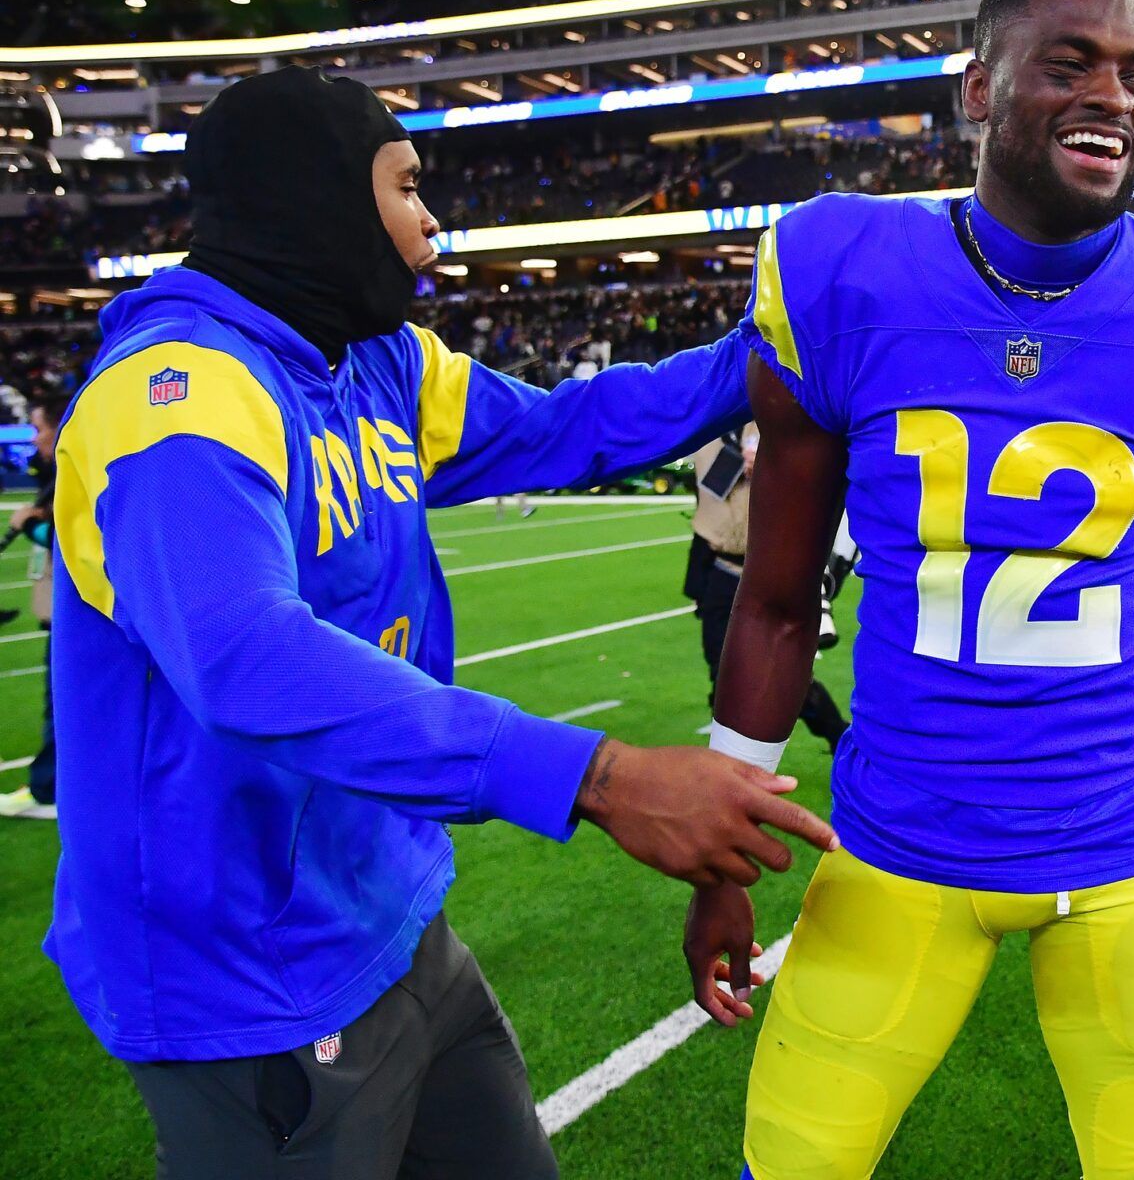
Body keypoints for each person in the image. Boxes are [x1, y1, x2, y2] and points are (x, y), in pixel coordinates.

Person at [45, 66, 836, 1178]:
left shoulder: (373, 360)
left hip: (394, 910)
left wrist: (784, 339)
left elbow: (576, 425)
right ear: (315, 197)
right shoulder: (176, 390)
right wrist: (597, 775)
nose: (432, 224)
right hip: (247, 974)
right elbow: (245, 657)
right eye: (407, 186)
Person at [683, 0, 1134, 1178]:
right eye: (1069, 64)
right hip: (895, 843)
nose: (1114, 98)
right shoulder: (837, 266)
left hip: (1131, 857)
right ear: (977, 91)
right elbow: (774, 597)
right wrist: (720, 853)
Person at [686, 422, 848, 749]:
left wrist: (776, 462)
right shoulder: (705, 428)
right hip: (720, 567)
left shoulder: (779, 419)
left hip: (770, 573)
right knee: (721, 673)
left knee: (785, 677)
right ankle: (728, 761)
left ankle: (838, 735)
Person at [0, 393, 58, 820]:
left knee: (61, 706)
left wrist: (32, 524)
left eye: (40, 428)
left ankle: (47, 791)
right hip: (63, 612)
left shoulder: (77, 475)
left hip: (75, 615)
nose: (35, 439)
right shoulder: (55, 473)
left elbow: (69, 543)